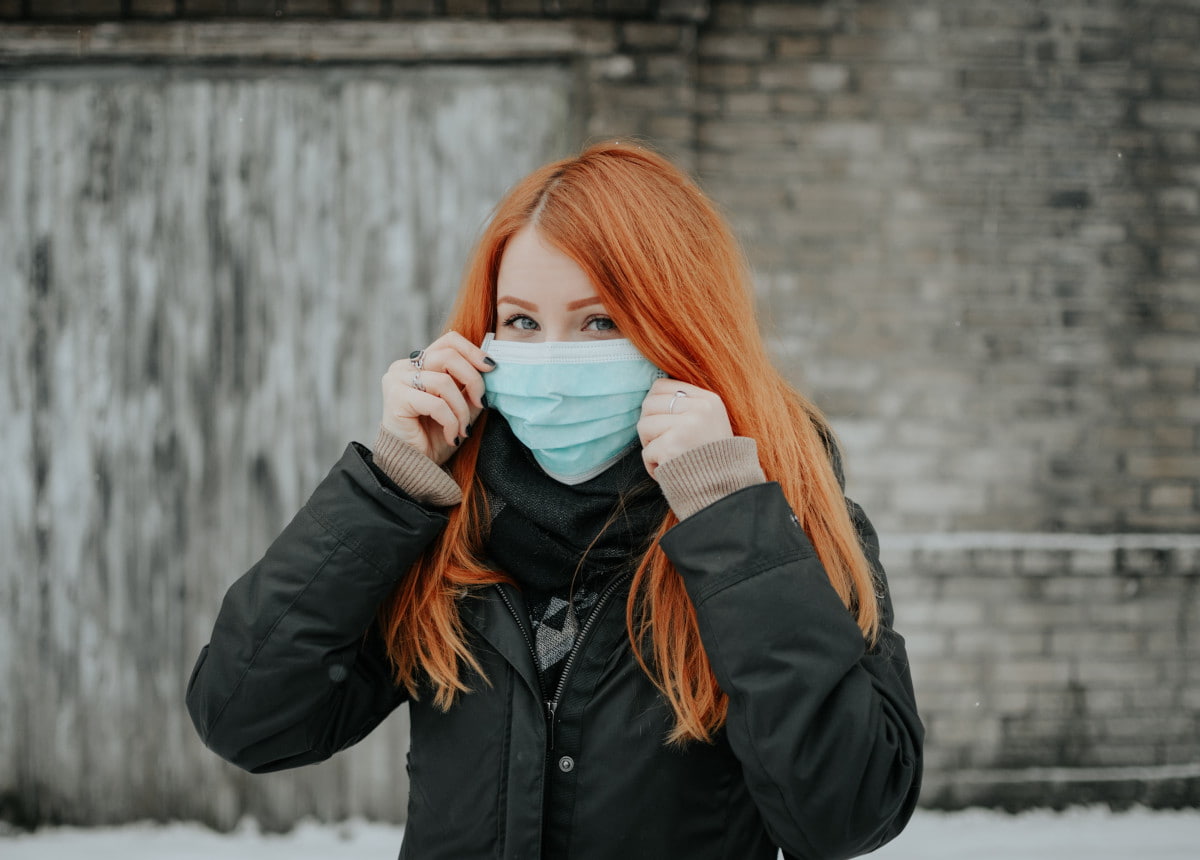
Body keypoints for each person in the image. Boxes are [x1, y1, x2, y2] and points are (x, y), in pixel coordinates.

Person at [186, 142, 923, 860]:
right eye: (522, 323)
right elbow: (246, 718)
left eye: (600, 322)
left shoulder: (791, 524)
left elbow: (847, 813)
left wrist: (730, 516)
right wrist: (387, 487)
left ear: (683, 329)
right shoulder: (452, 531)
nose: (556, 361)